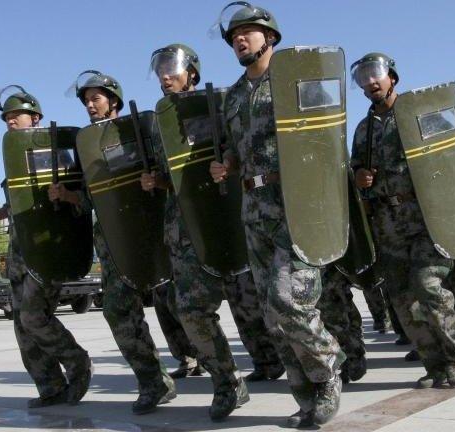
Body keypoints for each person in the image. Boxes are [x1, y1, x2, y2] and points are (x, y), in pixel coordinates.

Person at [209, 3, 343, 427]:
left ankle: (329, 369)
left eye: (248, 32)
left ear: (270, 37)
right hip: (253, 209)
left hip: (297, 205)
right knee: (271, 313)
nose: (239, 40)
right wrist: (226, 164)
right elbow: (235, 146)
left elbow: (324, 131)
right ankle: (304, 392)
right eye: (234, 36)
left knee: (291, 300)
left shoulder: (293, 80)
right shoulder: (231, 97)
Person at [49, 71, 175, 415]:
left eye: (97, 99)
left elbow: (170, 173)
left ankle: (224, 378)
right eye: (87, 101)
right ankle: (153, 382)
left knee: (184, 309)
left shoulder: (140, 129)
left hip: (156, 236)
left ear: (113, 101)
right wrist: (70, 196)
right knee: (117, 310)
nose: (91, 105)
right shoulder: (86, 148)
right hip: (113, 244)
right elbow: (92, 202)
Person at [144, 43, 252, 420]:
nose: (165, 75)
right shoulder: (158, 124)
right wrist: (154, 181)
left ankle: (314, 370)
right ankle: (227, 382)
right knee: (189, 310)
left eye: (172, 67)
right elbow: (169, 175)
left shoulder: (220, 105)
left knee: (266, 307)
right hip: (183, 228)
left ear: (192, 72)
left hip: (231, 220)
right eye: (159, 69)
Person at [350, 52, 455, 386]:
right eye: (363, 79)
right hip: (387, 222)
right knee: (402, 299)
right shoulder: (363, 129)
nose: (370, 82)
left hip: (426, 217)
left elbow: (450, 154)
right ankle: (433, 364)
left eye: (376, 74)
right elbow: (357, 165)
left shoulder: (421, 114)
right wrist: (360, 175)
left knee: (428, 286)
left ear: (393, 78)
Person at [0, 86, 92, 408]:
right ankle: (50, 386)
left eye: (16, 116)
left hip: (48, 250)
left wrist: (67, 196)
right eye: (7, 118)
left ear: (35, 117)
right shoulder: (16, 157)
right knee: (22, 325)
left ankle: (78, 363)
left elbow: (85, 200)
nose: (10, 122)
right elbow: (17, 205)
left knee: (33, 317)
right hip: (19, 253)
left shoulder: (58, 150)